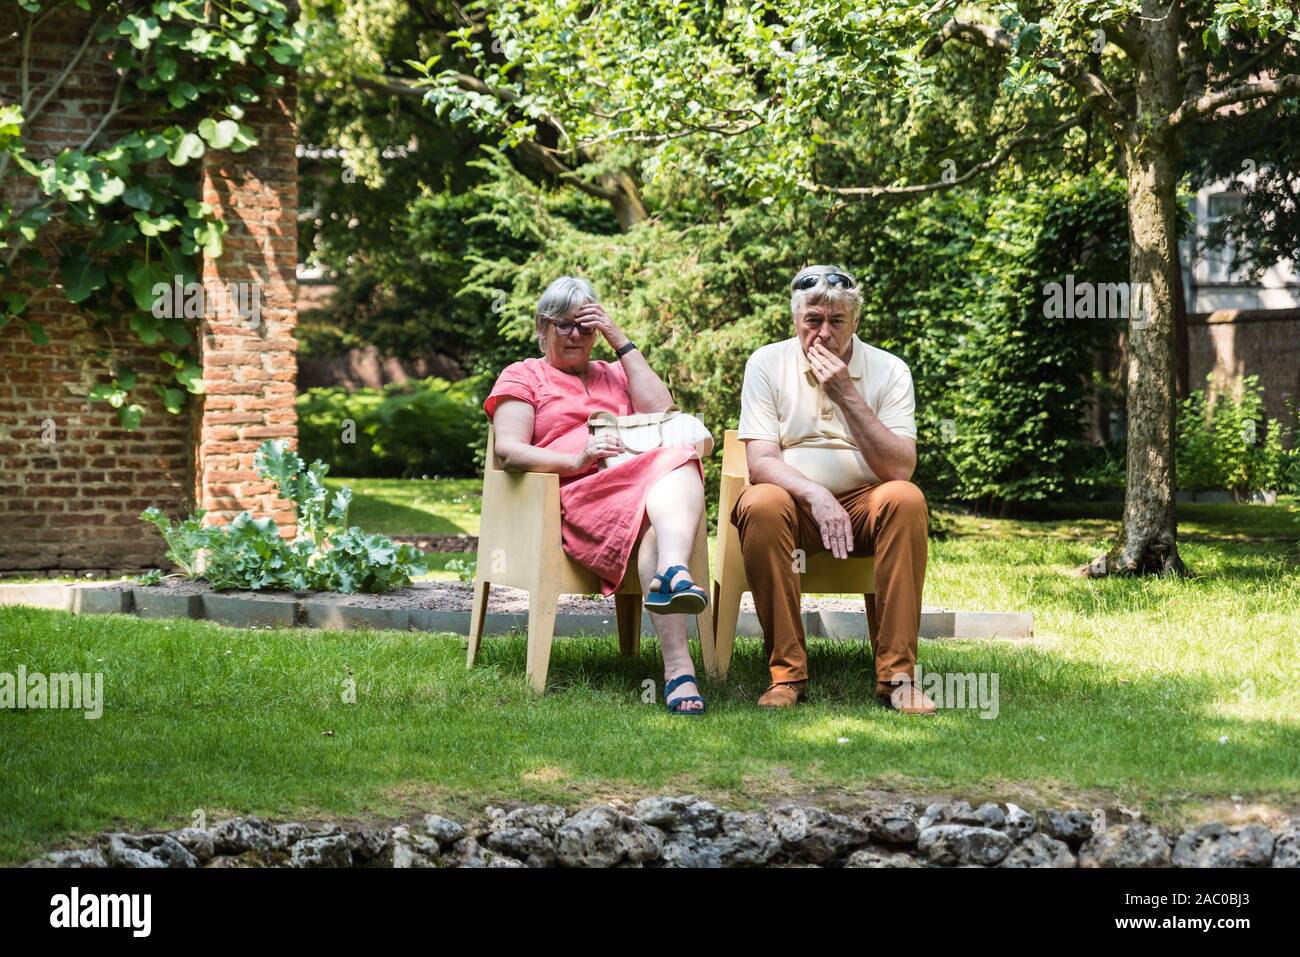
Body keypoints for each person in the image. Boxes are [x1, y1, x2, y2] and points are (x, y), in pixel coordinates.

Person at [484, 277, 709, 714]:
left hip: (639, 488)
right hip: (573, 495)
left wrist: (619, 338)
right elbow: (509, 452)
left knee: (676, 460)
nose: (575, 335)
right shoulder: (523, 375)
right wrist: (577, 458)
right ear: (543, 327)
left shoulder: (611, 372)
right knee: (679, 457)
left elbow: (663, 413)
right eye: (565, 325)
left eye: (585, 326)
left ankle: (678, 649)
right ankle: (675, 590)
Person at [732, 264, 935, 714]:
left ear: (856, 322)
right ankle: (786, 676)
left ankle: (897, 679)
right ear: (796, 318)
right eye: (813, 320)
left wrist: (846, 393)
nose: (823, 334)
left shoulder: (889, 370)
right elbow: (762, 462)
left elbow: (899, 467)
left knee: (906, 499)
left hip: (867, 505)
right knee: (761, 502)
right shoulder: (767, 363)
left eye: (836, 321)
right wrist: (816, 495)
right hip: (795, 506)